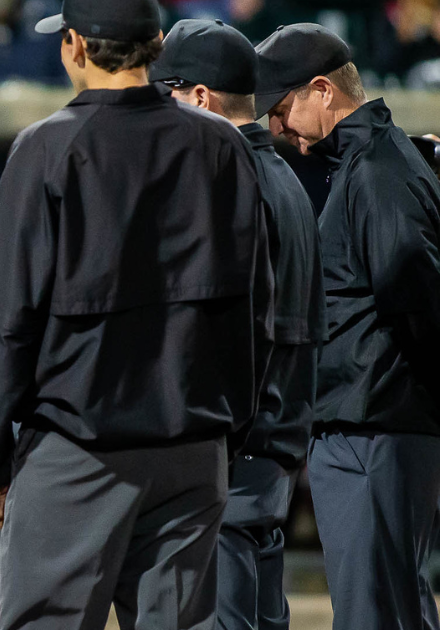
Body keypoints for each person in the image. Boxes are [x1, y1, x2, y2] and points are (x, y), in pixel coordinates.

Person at [0, 0, 275, 627]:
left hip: (79, 453)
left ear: (74, 44)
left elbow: (1, 321)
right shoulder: (221, 143)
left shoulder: (47, 148)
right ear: (156, 42)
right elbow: (253, 307)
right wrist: (226, 433)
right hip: (192, 447)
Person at [257, 23, 440, 630]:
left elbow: (415, 294)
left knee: (373, 613)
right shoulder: (375, 158)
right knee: (393, 605)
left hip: (375, 430)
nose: (278, 127)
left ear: (321, 90)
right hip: (377, 427)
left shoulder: (378, 169)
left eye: (282, 108)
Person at [150, 19, 327, 630]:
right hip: (271, 453)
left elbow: (226, 335)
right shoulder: (284, 179)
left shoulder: (232, 182)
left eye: (165, 94)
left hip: (232, 457)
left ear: (200, 98)